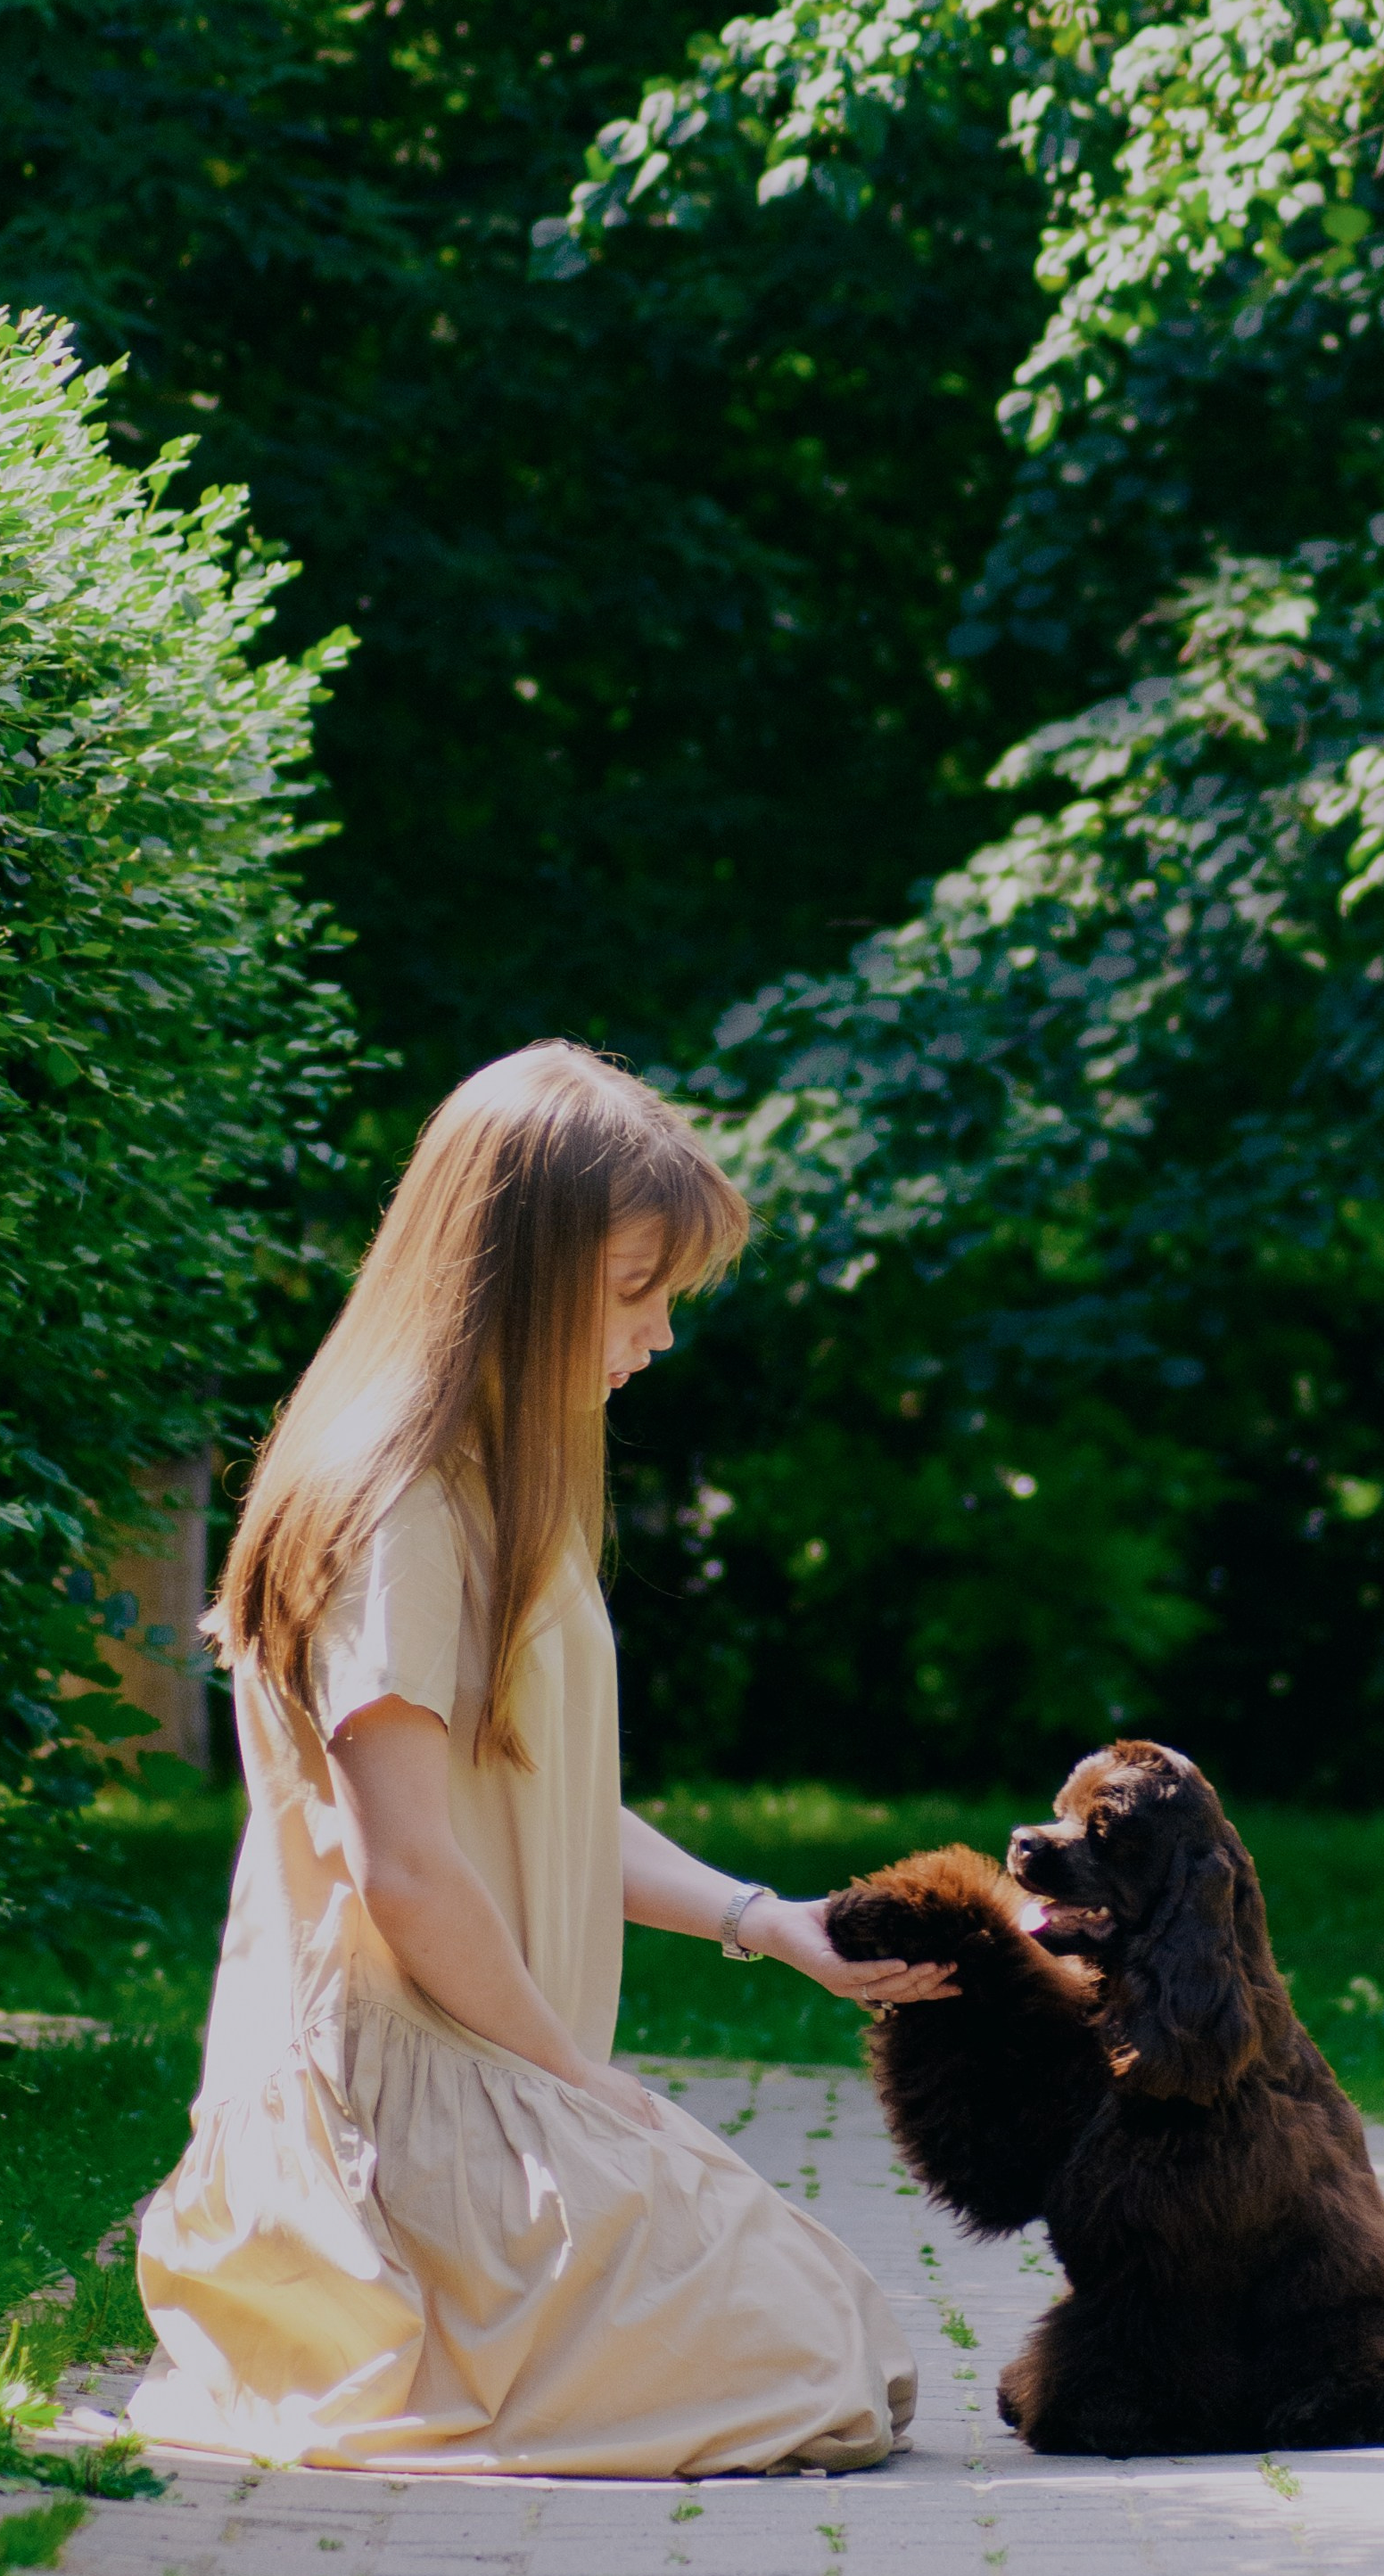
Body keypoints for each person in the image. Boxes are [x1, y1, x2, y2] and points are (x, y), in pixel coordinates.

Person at [129, 1042, 950, 2477]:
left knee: (849, 2351)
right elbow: (407, 1865)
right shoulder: (403, 1504)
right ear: (509, 1270)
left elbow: (543, 1804)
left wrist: (770, 1925)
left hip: (486, 2070)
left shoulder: (508, 1481)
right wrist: (577, 2077)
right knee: (816, 2369)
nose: (662, 1337)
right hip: (399, 2109)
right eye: (637, 1290)